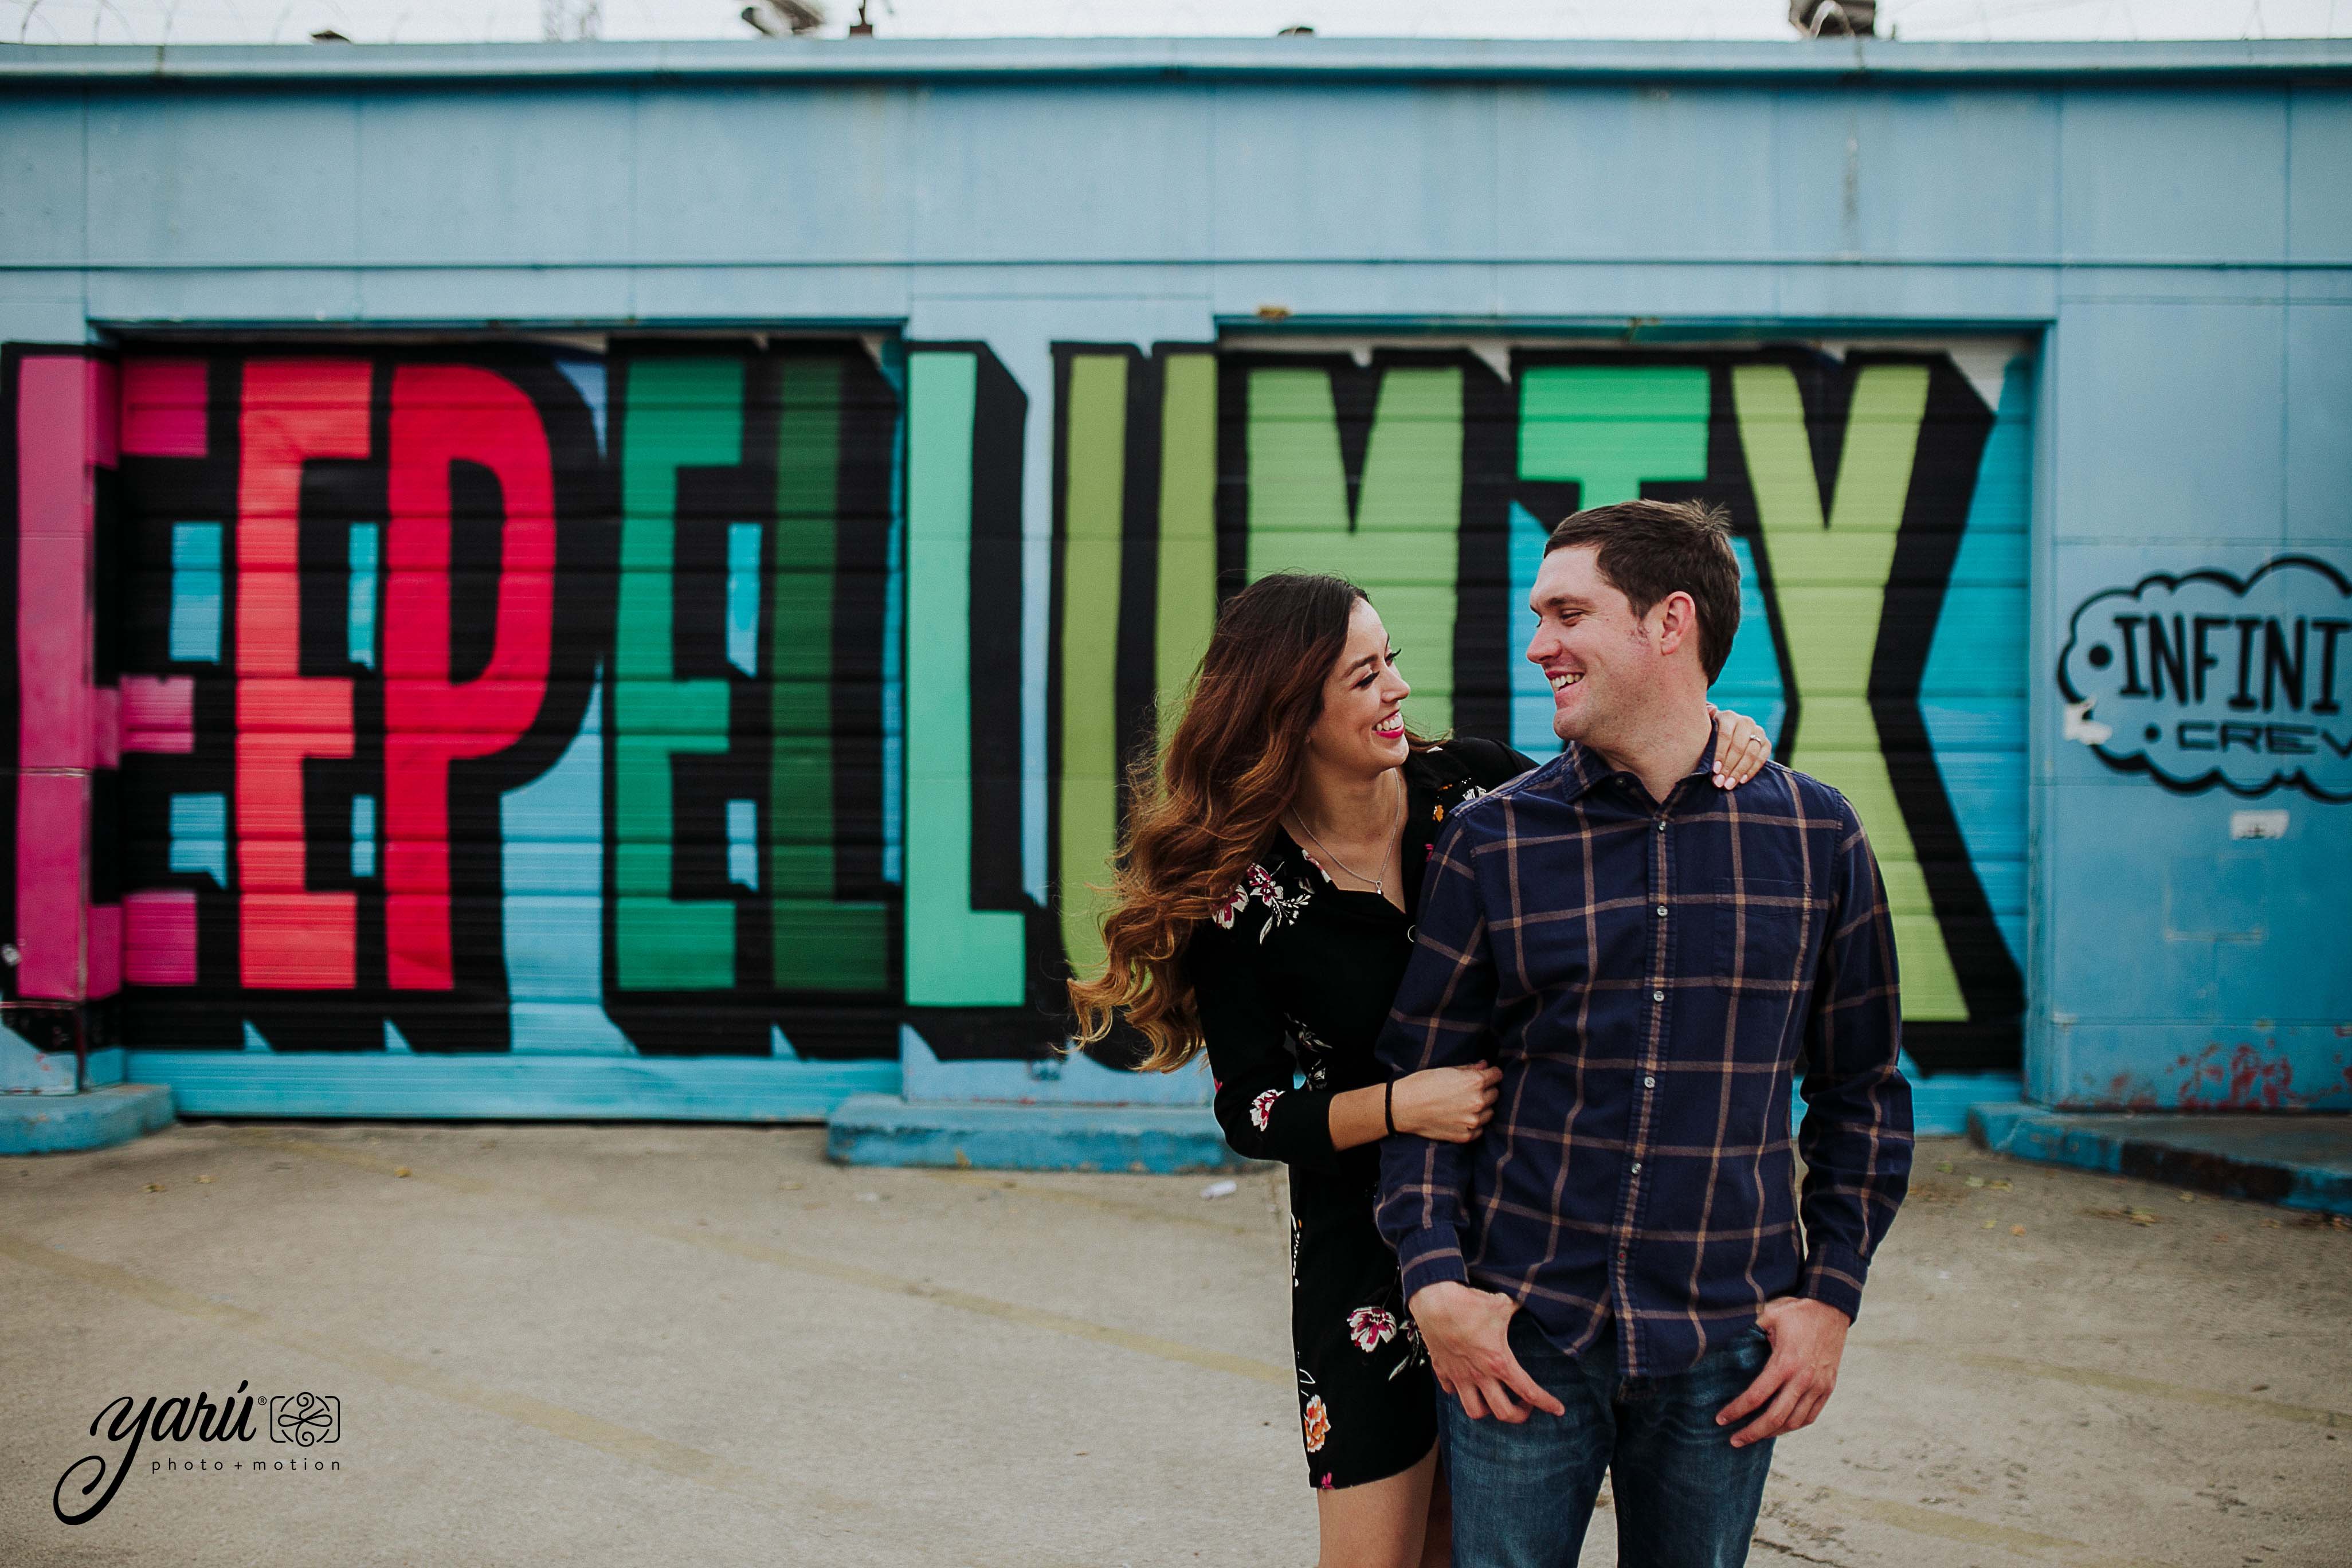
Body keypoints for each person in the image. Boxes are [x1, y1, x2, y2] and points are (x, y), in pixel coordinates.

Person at [1068, 571, 1774, 1568]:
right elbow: (1252, 1107)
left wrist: (1716, 737)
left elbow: (1628, 826)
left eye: (1391, 658)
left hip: (1525, 1234)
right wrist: (1403, 1106)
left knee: (1470, 1546)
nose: (1398, 686)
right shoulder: (1244, 891)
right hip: (1364, 1260)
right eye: (1366, 674)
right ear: (1292, 708)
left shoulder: (1477, 786)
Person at [1375, 500, 1914, 1568]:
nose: (1538, 646)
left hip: (1727, 1341)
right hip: (1523, 1334)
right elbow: (1422, 1080)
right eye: (1539, 616)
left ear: (1670, 624)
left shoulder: (1817, 836)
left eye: (1568, 613)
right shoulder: (1494, 837)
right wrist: (1437, 1282)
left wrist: (1831, 1300)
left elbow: (1863, 1094)